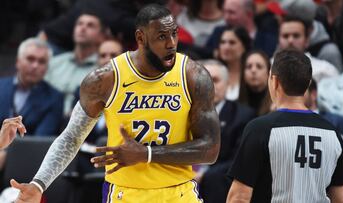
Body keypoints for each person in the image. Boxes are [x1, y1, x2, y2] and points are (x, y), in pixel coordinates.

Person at [11, 4, 220, 203]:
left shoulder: (193, 75)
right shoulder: (105, 79)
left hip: (180, 193)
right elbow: (71, 137)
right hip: (124, 195)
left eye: (174, 33)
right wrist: (39, 183)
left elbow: (210, 149)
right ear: (140, 38)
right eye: (161, 36)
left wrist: (146, 154)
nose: (171, 43)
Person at [227, 49, 343, 203]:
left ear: (275, 81)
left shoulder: (259, 129)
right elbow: (340, 199)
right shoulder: (333, 133)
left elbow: (239, 197)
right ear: (308, 84)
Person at [197, 59, 255, 203]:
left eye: (215, 80)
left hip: (217, 187)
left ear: (228, 84)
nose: (209, 85)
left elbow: (239, 161)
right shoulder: (183, 114)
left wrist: (203, 176)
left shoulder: (243, 116)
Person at [44, 11, 107, 116]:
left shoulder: (103, 69)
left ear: (101, 36)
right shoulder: (54, 63)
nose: (83, 28)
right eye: (79, 24)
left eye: (90, 25)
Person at [0, 38, 64, 136]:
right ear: (18, 62)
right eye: (30, 59)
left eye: (41, 61)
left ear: (47, 68)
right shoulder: (1, 86)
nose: (35, 66)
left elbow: (40, 140)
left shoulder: (54, 98)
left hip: (27, 150)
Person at [277, 15, 339, 82]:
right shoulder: (268, 68)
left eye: (296, 36)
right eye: (285, 36)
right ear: (278, 40)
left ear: (307, 40)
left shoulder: (325, 70)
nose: (290, 40)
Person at [239, 50, 272, 115]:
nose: (253, 70)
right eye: (249, 67)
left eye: (259, 67)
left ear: (269, 72)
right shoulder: (235, 107)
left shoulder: (276, 106)